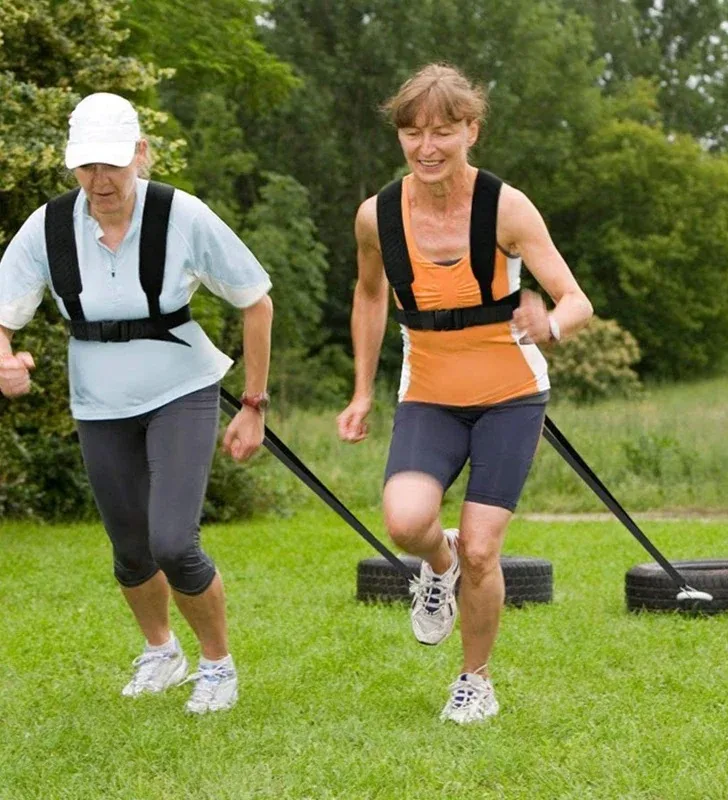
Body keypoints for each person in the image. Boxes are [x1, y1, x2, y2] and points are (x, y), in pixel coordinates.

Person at [0, 92, 273, 714]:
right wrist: (6, 359)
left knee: (173, 541)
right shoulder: (47, 228)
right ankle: (161, 652)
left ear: (141, 155)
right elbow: (3, 315)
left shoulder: (184, 215)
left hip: (182, 389)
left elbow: (256, 301)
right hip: (97, 401)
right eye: (87, 166)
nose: (99, 180)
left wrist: (254, 403)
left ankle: (216, 665)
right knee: (129, 548)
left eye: (113, 164)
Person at [337, 64, 593, 724]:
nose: (427, 147)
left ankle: (474, 681)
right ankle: (437, 567)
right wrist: (362, 391)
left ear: (471, 131)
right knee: (405, 521)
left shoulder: (506, 207)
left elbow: (575, 300)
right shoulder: (377, 217)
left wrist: (551, 325)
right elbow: (368, 297)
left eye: (443, 132)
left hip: (511, 393)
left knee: (485, 547)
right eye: (412, 132)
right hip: (428, 392)